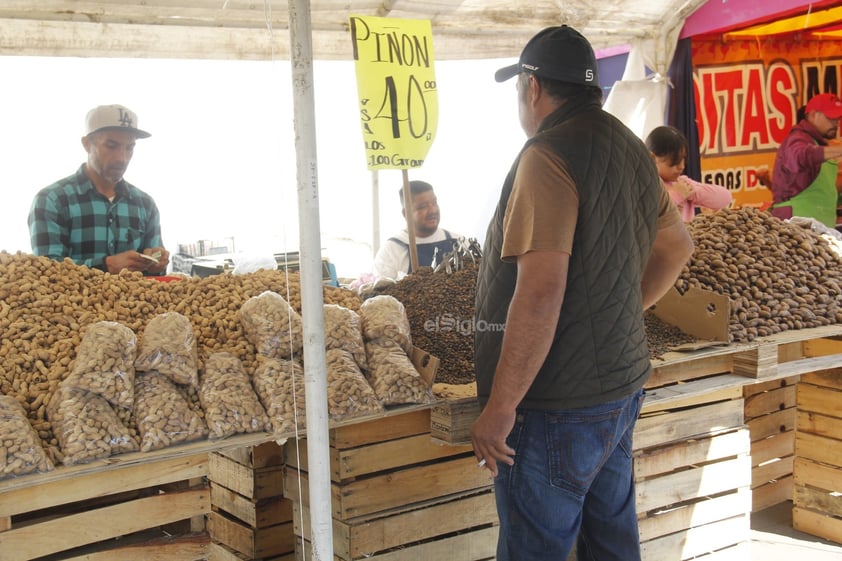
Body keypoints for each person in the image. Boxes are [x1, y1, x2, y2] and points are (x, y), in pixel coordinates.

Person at [470, 26, 694, 561]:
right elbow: (677, 248)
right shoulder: (632, 148)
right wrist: (618, 312)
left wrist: (500, 407)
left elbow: (540, 291)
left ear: (532, 88)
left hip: (555, 404)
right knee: (611, 540)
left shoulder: (546, 156)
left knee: (537, 547)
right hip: (619, 385)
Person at [28, 104, 170, 274]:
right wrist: (105, 266)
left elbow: (158, 278)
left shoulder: (145, 204)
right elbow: (46, 272)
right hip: (73, 301)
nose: (122, 158)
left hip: (135, 301)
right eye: (111, 146)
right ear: (87, 144)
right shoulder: (52, 201)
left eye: (129, 148)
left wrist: (158, 262)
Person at [770, 92, 842, 228]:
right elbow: (801, 155)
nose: (836, 123)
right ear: (813, 115)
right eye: (831, 118)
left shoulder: (819, 143)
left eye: (838, 118)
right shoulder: (797, 139)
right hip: (796, 227)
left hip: (819, 227)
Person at [372, 180, 459, 279]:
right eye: (423, 206)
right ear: (406, 213)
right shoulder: (391, 251)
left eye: (434, 203)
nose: (433, 210)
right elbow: (380, 290)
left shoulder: (458, 242)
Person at [646, 125, 732, 222]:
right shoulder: (644, 185)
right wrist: (678, 194)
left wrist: (692, 191)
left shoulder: (682, 182)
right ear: (652, 158)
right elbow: (651, 214)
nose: (681, 166)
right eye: (675, 161)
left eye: (683, 159)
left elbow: (726, 198)